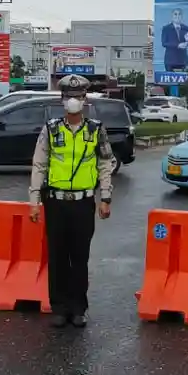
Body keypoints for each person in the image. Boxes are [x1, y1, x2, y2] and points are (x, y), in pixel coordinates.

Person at [28, 74, 115, 327]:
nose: (73, 101)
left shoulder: (96, 130)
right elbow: (39, 165)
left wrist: (106, 197)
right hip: (55, 202)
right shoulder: (51, 129)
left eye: (77, 97)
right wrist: (34, 201)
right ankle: (59, 307)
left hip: (83, 202)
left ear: (84, 99)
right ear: (61, 100)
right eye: (68, 97)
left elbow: (105, 164)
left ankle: (78, 308)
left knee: (79, 257)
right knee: (57, 257)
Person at [159, 7, 188, 72]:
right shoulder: (166, 28)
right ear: (172, 16)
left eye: (179, 14)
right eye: (175, 14)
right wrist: (178, 45)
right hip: (170, 61)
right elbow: (164, 43)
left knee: (184, 81)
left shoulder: (186, 28)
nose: (177, 16)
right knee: (170, 81)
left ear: (182, 16)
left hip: (183, 60)